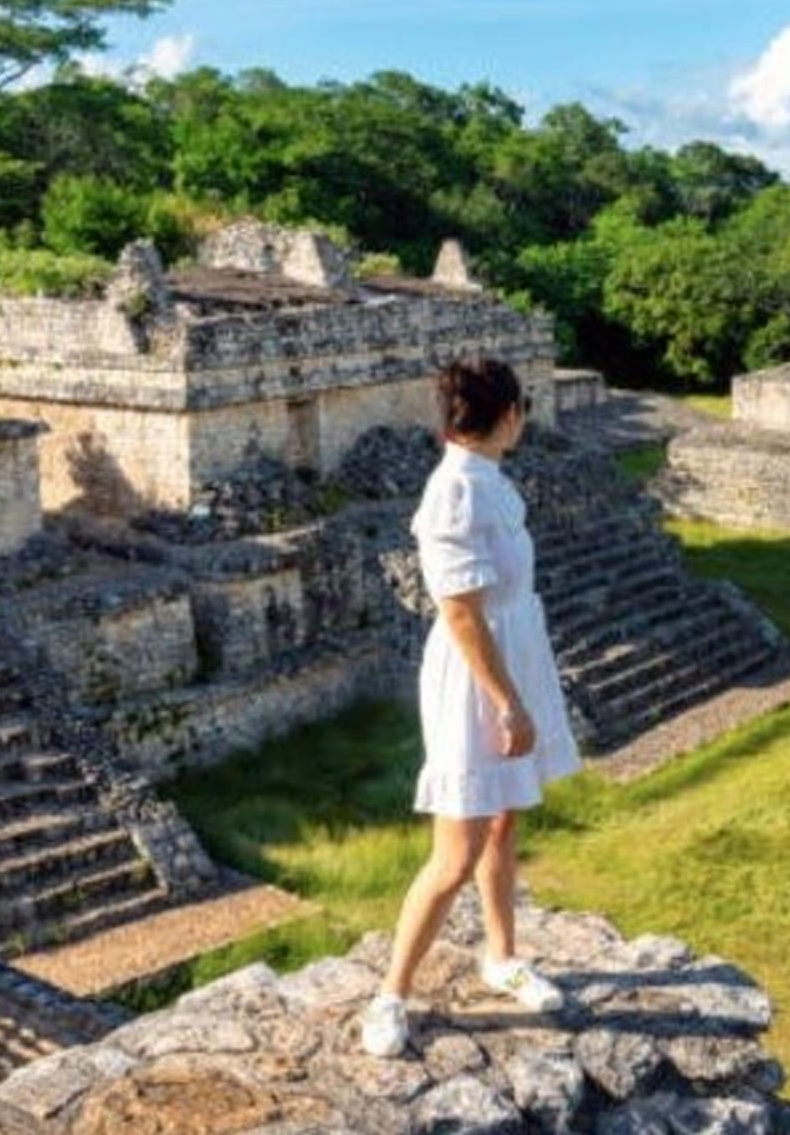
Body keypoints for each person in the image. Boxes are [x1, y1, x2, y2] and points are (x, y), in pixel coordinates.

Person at [359, 356, 583, 1058]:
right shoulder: (454, 490)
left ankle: (501, 954)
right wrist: (507, 703)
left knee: (504, 817)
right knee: (455, 851)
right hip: (476, 676)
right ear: (509, 413)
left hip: (512, 652)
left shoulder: (489, 480)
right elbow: (458, 613)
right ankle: (390, 994)